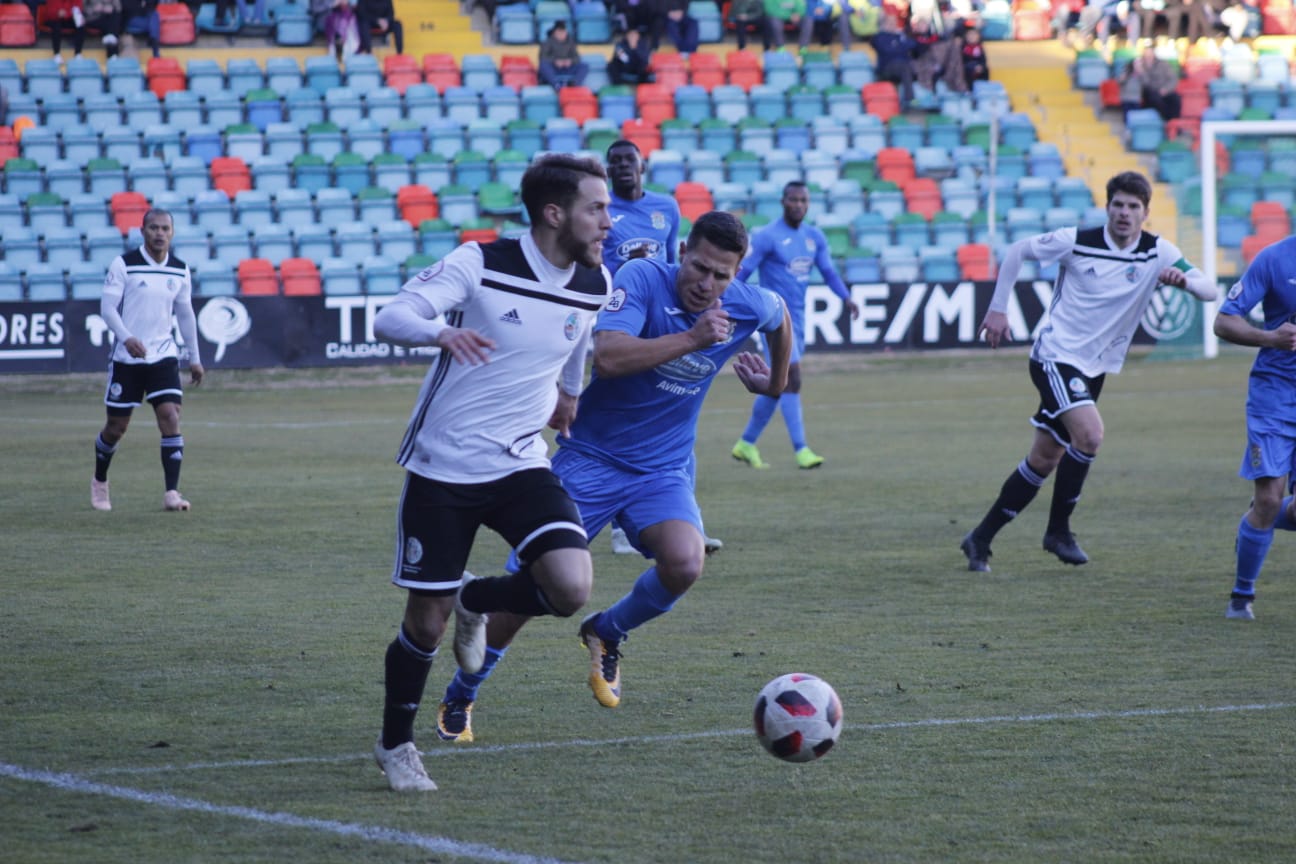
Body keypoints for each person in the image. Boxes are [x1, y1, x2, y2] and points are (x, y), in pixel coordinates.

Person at [432, 211, 792, 743]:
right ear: (683, 250)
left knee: (685, 563)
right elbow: (611, 357)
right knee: (533, 589)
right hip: (590, 460)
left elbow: (779, 315)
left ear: (737, 272)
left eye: (722, 275)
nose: (706, 283)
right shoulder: (642, 279)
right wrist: (694, 339)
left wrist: (775, 385)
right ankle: (462, 693)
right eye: (698, 267)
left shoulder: (745, 302)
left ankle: (606, 630)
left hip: (661, 469)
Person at [368, 153, 613, 792]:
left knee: (570, 587)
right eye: (597, 208)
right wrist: (439, 336)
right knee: (426, 622)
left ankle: (477, 599)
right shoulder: (480, 262)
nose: (607, 221)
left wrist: (568, 394)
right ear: (554, 213)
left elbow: (576, 340)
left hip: (520, 461)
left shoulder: (592, 280)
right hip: (443, 468)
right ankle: (396, 745)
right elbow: (390, 317)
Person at [959, 171, 1217, 573]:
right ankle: (1058, 531)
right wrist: (997, 308)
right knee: (1091, 435)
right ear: (1107, 207)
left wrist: (1183, 281)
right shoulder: (1076, 240)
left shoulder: (1158, 251)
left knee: (1044, 459)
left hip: (1094, 368)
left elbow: (1209, 290)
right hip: (1055, 356)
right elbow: (1017, 251)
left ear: (1146, 213)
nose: (1125, 213)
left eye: (1133, 207)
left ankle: (979, 539)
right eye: (1118, 205)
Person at [602, 139, 723, 556]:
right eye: (614, 161)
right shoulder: (604, 210)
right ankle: (622, 527)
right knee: (623, 423)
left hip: (662, 321)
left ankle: (690, 523)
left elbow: (676, 263)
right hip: (620, 322)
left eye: (628, 160)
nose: (622, 167)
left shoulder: (666, 208)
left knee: (677, 423)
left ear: (643, 165)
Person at [731, 181, 859, 471]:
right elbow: (745, 270)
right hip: (773, 318)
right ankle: (801, 450)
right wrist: (724, 298)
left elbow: (828, 271)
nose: (798, 205)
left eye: (803, 200)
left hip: (798, 319)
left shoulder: (814, 237)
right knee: (792, 377)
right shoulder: (767, 236)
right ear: (783, 201)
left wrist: (847, 298)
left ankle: (746, 443)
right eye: (793, 200)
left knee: (777, 385)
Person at [91, 208, 204, 513]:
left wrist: (194, 357)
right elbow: (108, 309)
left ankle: (171, 492)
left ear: (172, 232)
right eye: (153, 228)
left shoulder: (179, 269)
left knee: (170, 415)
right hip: (127, 359)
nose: (159, 233)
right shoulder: (124, 264)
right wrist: (126, 337)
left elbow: (184, 313)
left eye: (165, 228)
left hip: (163, 355)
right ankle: (100, 480)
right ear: (142, 231)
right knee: (116, 427)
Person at [1213, 234, 1296, 621]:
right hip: (1275, 396)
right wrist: (1270, 338)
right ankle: (1241, 595)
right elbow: (1224, 321)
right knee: (1268, 497)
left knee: (1277, 508)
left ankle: (1262, 518)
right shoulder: (1274, 259)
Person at [1121, 45, 1181, 121]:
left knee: (1175, 98)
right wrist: (1141, 72)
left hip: (1164, 90)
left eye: (1150, 53)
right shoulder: (1138, 64)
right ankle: (1167, 119)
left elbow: (1173, 79)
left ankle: (1175, 123)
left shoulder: (1163, 64)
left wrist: (1166, 89)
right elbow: (1146, 84)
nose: (1148, 56)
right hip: (1147, 92)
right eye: (1146, 54)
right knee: (1155, 98)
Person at [870, 13, 918, 110]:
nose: (893, 25)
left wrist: (898, 45)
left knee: (918, 66)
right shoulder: (879, 37)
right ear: (884, 24)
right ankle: (910, 99)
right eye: (890, 23)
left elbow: (913, 44)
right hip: (887, 68)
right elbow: (887, 50)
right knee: (904, 67)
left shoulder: (899, 36)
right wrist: (902, 46)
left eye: (894, 23)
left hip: (905, 65)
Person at [538, 20, 589, 89]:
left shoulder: (570, 42)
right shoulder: (547, 42)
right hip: (554, 68)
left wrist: (570, 61)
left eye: (563, 32)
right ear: (554, 33)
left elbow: (577, 57)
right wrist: (555, 61)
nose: (561, 34)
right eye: (559, 32)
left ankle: (574, 84)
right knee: (543, 65)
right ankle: (556, 85)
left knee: (584, 66)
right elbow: (543, 57)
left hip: (567, 67)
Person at [46, 0, 86, 64]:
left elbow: (77, 9)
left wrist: (66, 13)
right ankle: (57, 54)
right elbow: (50, 13)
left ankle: (78, 53)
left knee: (80, 24)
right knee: (56, 26)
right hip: (55, 18)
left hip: (69, 17)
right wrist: (58, 13)